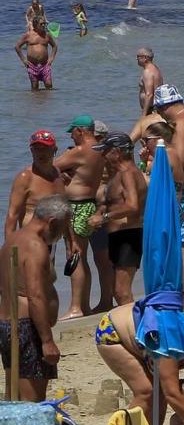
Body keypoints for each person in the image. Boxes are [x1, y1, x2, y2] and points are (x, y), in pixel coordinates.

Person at [142, 84, 184, 314]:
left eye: (160, 110)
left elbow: (176, 161)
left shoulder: (180, 124)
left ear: (165, 105)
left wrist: (151, 162)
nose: (160, 115)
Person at [0, 196, 69, 401]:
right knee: (32, 404)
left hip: (8, 324)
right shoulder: (35, 246)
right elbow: (35, 295)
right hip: (26, 326)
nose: (62, 234)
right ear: (52, 222)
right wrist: (47, 341)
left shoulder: (12, 240)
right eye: (63, 228)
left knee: (14, 396)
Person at [54, 116, 106, 319]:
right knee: (82, 257)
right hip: (89, 204)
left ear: (81, 131)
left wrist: (62, 175)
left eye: (72, 133)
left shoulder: (80, 151)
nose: (72, 137)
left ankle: (76, 307)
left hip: (77, 207)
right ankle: (84, 305)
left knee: (74, 255)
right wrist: (67, 175)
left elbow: (50, 167)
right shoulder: (100, 150)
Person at [90, 133, 146, 306]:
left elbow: (132, 206)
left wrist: (104, 218)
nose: (103, 155)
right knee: (118, 291)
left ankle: (134, 330)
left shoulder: (128, 174)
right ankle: (130, 328)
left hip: (128, 237)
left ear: (117, 152)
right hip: (120, 237)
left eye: (105, 151)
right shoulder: (121, 173)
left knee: (122, 291)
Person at [6, 131, 65, 240]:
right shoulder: (25, 177)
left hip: (52, 241)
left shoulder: (56, 173)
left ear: (54, 150)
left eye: (44, 148)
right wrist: (11, 249)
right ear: (31, 151)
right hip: (31, 241)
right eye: (36, 149)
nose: (40, 153)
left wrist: (71, 241)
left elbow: (63, 210)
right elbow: (12, 215)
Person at [15, 17, 56, 91]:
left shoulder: (47, 35)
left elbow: (54, 46)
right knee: (34, 86)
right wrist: (23, 60)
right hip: (32, 65)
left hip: (45, 65)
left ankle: (49, 101)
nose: (43, 25)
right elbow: (17, 47)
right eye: (41, 24)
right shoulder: (28, 35)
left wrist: (51, 58)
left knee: (49, 85)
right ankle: (35, 101)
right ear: (35, 25)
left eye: (44, 23)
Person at [136, 47, 163, 116]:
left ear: (145, 58)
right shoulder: (155, 68)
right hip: (156, 107)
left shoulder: (148, 71)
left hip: (151, 109)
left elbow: (149, 94)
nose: (136, 59)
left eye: (138, 57)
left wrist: (144, 115)